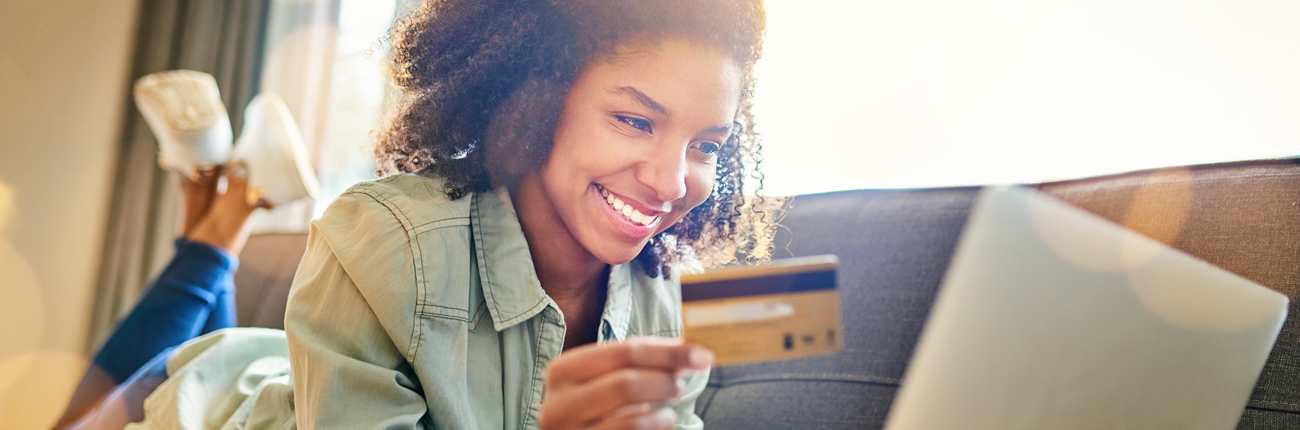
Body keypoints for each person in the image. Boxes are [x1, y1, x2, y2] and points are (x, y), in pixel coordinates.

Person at [65, 0, 772, 428]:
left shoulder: (666, 306)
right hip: (204, 408)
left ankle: (218, 190)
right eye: (633, 120)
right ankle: (220, 206)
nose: (670, 181)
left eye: (706, 145)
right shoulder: (385, 237)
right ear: (537, 96)